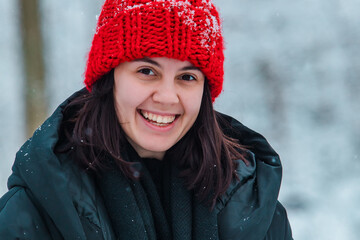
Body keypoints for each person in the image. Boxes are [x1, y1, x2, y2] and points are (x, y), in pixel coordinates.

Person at [0, 0, 293, 239]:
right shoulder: (37, 208)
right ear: (109, 78)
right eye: (146, 71)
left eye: (187, 77)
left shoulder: (255, 208)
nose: (167, 96)